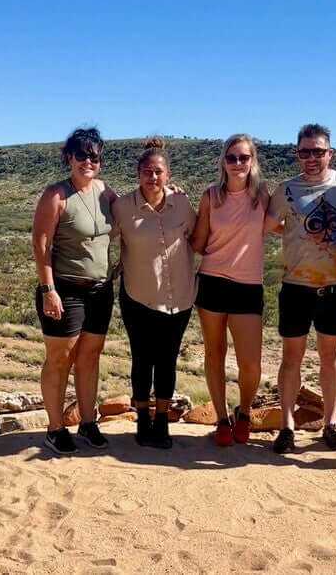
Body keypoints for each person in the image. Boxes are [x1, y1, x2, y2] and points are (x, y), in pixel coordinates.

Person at [265, 124, 336, 453]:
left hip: (333, 287)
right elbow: (270, 225)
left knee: (330, 358)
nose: (311, 158)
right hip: (296, 286)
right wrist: (295, 234)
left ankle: (330, 423)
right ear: (297, 154)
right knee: (290, 358)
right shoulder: (286, 189)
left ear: (330, 153)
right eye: (305, 152)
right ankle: (287, 426)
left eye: (318, 151)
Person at [31, 127, 116, 455]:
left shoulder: (106, 192)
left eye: (94, 156)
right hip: (64, 289)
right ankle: (55, 427)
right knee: (59, 359)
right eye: (81, 155)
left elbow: (135, 211)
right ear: (69, 157)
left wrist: (169, 192)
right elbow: (41, 245)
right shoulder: (57, 195)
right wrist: (48, 289)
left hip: (99, 291)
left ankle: (87, 420)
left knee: (90, 357)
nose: (87, 162)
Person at [112, 137, 197, 449]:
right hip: (138, 295)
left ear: (168, 175)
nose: (153, 177)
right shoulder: (122, 207)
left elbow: (198, 238)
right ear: (138, 174)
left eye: (158, 172)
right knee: (142, 359)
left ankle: (162, 421)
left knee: (168, 360)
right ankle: (143, 419)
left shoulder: (183, 204)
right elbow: (100, 236)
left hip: (180, 296)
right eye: (147, 172)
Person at [190, 134, 269, 446]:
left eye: (244, 158)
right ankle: (222, 419)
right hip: (212, 281)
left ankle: (245, 411)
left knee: (251, 363)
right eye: (232, 157)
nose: (238, 163)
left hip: (248, 285)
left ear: (253, 161)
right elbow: (198, 241)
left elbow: (284, 223)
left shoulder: (263, 196)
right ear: (223, 161)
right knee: (215, 354)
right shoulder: (211, 196)